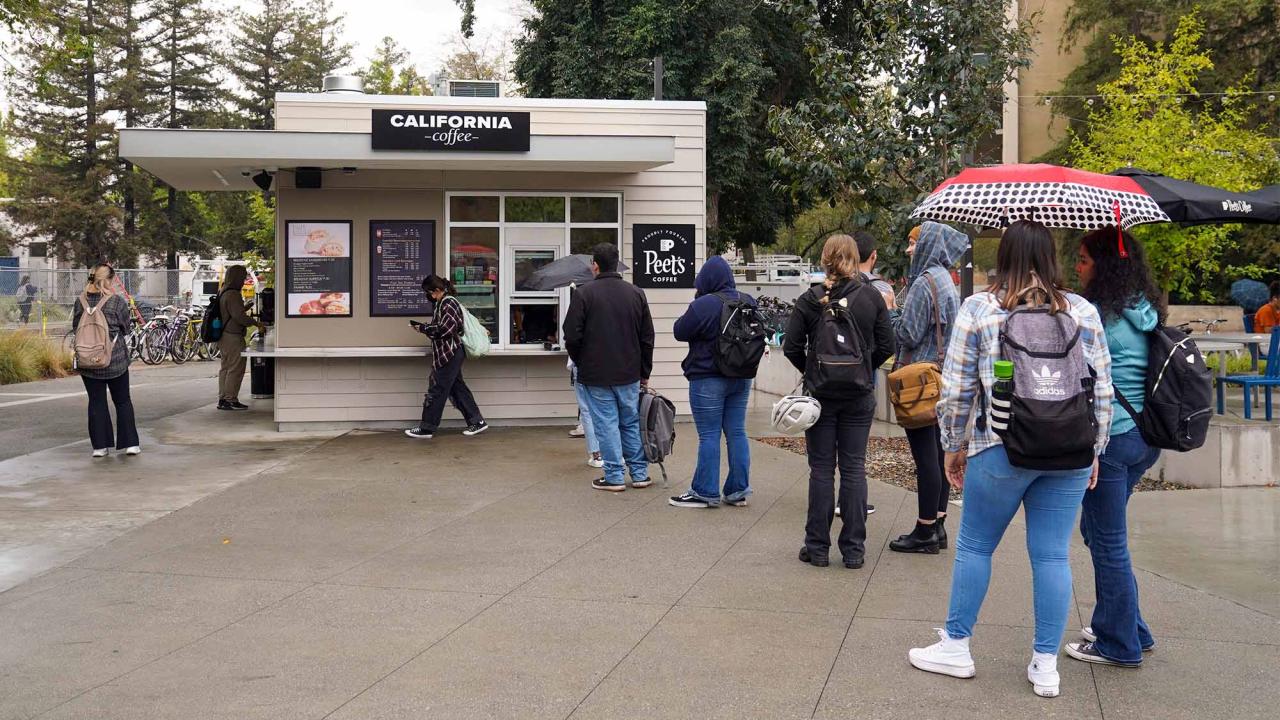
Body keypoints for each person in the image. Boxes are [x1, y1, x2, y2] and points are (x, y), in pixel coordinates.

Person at [907, 221, 1113, 699]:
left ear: (1005, 255)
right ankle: (1045, 664)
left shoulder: (980, 308)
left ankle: (957, 646)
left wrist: (952, 444)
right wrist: (1094, 449)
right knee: (1051, 554)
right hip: (1068, 450)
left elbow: (956, 390)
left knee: (976, 546)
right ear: (1052, 256)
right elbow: (1100, 388)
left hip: (998, 445)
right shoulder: (1082, 310)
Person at [1066, 227, 1163, 667]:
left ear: (1104, 265)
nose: (1077, 266)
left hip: (1114, 438)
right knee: (1100, 535)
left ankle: (1118, 644)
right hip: (1145, 438)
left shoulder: (1101, 315)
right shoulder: (1143, 307)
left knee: (1106, 541)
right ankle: (1130, 627)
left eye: (1084, 259)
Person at [784, 234, 895, 569]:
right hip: (859, 397)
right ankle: (854, 550)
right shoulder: (871, 297)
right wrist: (862, 368)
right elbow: (888, 345)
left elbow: (790, 346)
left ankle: (816, 547)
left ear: (825, 259)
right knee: (853, 468)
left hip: (821, 398)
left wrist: (814, 372)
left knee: (820, 469)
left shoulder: (809, 299)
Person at [888, 221, 966, 554]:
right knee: (938, 452)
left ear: (929, 246)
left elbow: (908, 334)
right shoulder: (947, 280)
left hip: (920, 382)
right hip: (941, 379)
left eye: (912, 243)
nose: (909, 249)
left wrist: (892, 313)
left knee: (926, 459)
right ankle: (939, 524)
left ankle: (924, 530)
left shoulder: (924, 283)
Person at [563, 243, 655, 492]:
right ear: (616, 264)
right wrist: (644, 372)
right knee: (630, 422)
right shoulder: (636, 293)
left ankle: (614, 476)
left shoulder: (584, 294)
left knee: (606, 423)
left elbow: (571, 335)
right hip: (629, 372)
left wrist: (581, 361)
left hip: (596, 373)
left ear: (595, 265)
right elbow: (647, 337)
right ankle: (639, 473)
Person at [668, 255, 755, 508]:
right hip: (741, 376)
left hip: (708, 378)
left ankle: (705, 491)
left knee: (709, 435)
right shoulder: (747, 300)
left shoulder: (704, 304)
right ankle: (738, 490)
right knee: (737, 432)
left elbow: (679, 331)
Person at [405, 275, 488, 438]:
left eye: (429, 292)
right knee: (457, 388)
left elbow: (446, 330)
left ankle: (427, 428)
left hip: (450, 353)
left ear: (436, 290)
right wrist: (425, 328)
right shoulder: (443, 303)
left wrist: (423, 329)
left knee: (437, 389)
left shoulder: (448, 303)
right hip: (450, 352)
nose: (428, 296)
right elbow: (444, 328)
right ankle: (477, 422)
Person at [72, 264, 139, 457]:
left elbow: (76, 327)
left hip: (87, 361)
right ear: (108, 280)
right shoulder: (116, 301)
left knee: (96, 402)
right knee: (122, 400)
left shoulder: (80, 301)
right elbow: (126, 328)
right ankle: (130, 444)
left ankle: (100, 447)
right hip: (114, 359)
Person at [216, 265, 263, 411]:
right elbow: (239, 317)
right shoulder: (233, 294)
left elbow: (232, 312)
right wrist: (256, 323)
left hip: (223, 335)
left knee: (225, 368)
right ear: (237, 277)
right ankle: (231, 399)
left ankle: (223, 398)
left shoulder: (223, 291)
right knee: (236, 368)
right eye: (242, 277)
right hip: (233, 336)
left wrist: (244, 307)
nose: (243, 281)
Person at [569, 357, 604, 468]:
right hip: (609, 366)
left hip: (583, 365)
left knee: (587, 411)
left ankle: (596, 454)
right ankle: (615, 453)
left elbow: (572, 343)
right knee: (608, 410)